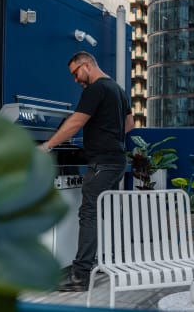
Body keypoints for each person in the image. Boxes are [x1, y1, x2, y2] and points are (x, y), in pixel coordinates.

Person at [39, 51, 134, 291]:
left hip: (103, 163)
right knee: (102, 213)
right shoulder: (118, 90)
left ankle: (80, 277)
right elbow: (129, 125)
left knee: (89, 213)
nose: (75, 79)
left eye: (75, 73)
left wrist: (47, 145)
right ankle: (105, 262)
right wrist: (107, 132)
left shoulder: (95, 89)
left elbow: (75, 122)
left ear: (86, 65)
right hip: (116, 161)